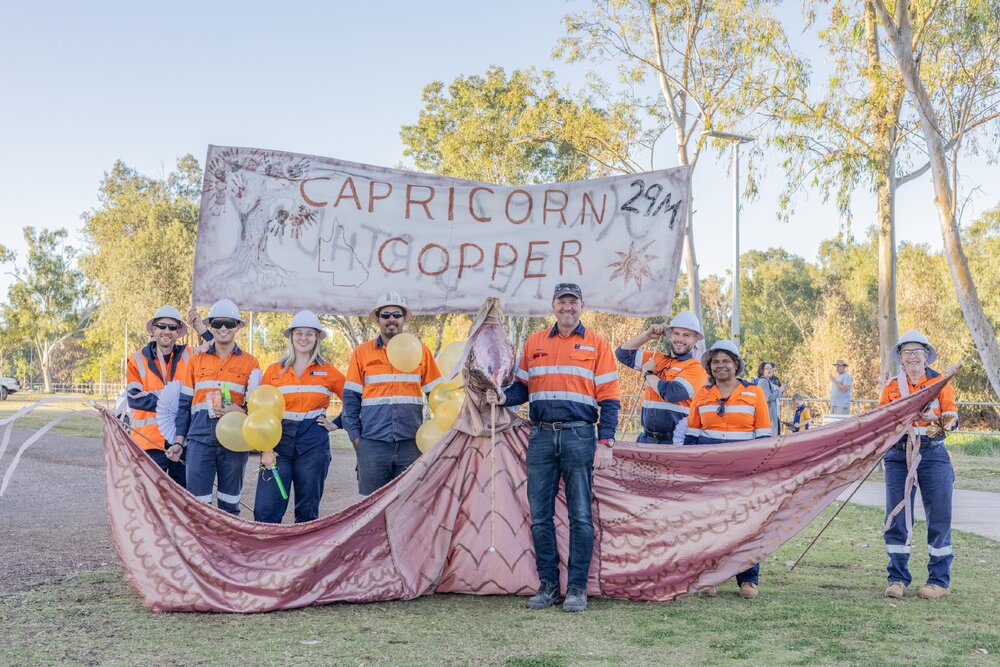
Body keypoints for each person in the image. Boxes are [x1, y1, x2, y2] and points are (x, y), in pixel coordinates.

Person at [501, 283, 621, 613]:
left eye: (573, 301)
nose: (567, 307)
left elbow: (610, 399)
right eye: (561, 301)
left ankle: (577, 590)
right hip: (540, 437)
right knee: (540, 516)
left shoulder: (598, 344)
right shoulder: (535, 342)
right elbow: (521, 389)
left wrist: (605, 442)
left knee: (581, 516)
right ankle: (549, 587)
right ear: (553, 306)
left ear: (582, 305)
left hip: (580, 436)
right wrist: (498, 396)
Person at [685, 340, 771, 599]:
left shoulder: (754, 393)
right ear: (709, 367)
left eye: (725, 360)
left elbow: (764, 436)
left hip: (744, 469)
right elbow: (691, 436)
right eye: (715, 361)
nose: (720, 365)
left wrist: (760, 471)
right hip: (709, 469)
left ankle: (748, 579)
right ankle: (710, 578)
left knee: (746, 522)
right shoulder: (702, 393)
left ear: (736, 364)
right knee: (710, 522)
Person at [880, 330, 957, 601]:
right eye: (907, 352)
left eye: (917, 352)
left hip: (932, 454)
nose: (912, 357)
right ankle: (897, 577)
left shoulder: (941, 383)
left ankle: (938, 580)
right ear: (900, 358)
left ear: (927, 355)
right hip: (898, 456)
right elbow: (882, 422)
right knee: (897, 517)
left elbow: (952, 423)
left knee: (939, 516)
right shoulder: (892, 386)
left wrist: (933, 418)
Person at [341, 292, 442, 495]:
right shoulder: (362, 352)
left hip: (410, 444)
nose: (391, 319)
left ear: (404, 318)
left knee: (407, 504)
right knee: (369, 507)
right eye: (386, 315)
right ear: (378, 319)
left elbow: (439, 397)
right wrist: (357, 441)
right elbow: (350, 400)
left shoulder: (421, 351)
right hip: (372, 444)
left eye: (397, 314)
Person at [254, 310, 345, 524]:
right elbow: (260, 411)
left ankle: (303, 557)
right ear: (291, 337)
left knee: (307, 511)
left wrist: (337, 423)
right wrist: (266, 449)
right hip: (278, 444)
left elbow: (354, 398)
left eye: (309, 334)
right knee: (266, 509)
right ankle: (266, 554)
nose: (304, 338)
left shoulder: (329, 372)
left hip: (313, 445)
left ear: (317, 338)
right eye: (299, 333)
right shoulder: (274, 371)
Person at [172, 299, 260, 515]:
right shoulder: (195, 360)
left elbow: (256, 409)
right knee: (198, 507)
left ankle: (227, 549)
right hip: (200, 440)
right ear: (210, 325)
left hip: (235, 443)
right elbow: (184, 405)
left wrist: (237, 411)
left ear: (238, 326)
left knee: (230, 505)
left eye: (229, 323)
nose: (223, 328)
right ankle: (200, 549)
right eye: (218, 323)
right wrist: (178, 442)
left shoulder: (251, 363)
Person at [126, 305, 197, 487]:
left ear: (179, 332)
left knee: (183, 498)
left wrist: (200, 326)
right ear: (153, 330)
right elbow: (134, 397)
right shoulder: (137, 359)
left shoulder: (190, 356)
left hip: (182, 441)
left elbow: (218, 347)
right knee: (149, 497)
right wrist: (169, 403)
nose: (167, 331)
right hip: (149, 442)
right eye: (162, 326)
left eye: (172, 327)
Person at [615, 311, 708, 444]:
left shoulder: (697, 367)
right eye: (676, 333)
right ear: (669, 335)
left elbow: (672, 393)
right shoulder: (656, 357)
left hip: (675, 441)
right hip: (646, 439)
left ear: (695, 339)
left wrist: (648, 374)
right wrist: (647, 335)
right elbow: (622, 354)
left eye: (686, 335)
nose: (680, 339)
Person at [754, 362, 783, 436]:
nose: (769, 370)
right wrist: (779, 390)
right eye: (767, 368)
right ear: (762, 371)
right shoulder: (763, 381)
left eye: (771, 368)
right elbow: (767, 397)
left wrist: (780, 391)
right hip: (769, 417)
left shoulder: (768, 381)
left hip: (773, 415)